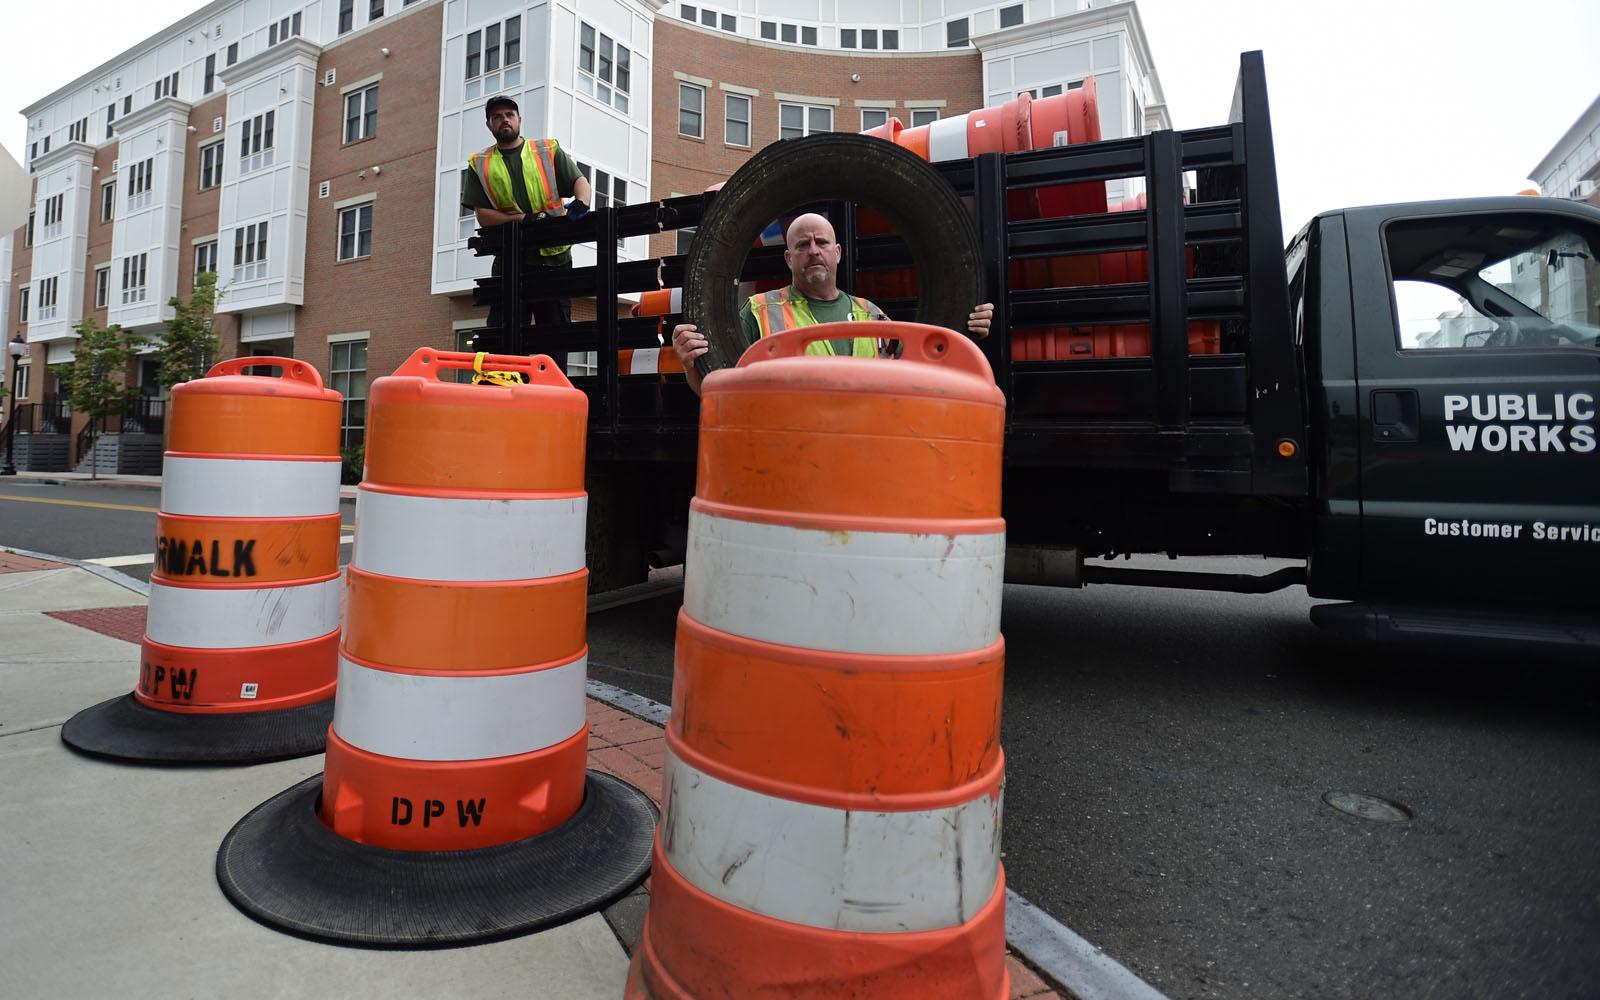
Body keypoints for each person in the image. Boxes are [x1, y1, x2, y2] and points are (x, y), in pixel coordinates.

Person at [669, 213, 993, 395]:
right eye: (802, 245)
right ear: (788, 258)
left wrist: (965, 331)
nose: (813, 250)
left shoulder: (873, 315)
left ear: (837, 253)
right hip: (790, 459)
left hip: (860, 457)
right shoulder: (758, 311)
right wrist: (689, 364)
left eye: (821, 242)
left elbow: (922, 377)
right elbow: (717, 390)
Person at [460, 95, 593, 370]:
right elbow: (483, 216)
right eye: (497, 117)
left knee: (555, 342)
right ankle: (505, 398)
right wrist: (529, 219)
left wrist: (582, 202)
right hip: (511, 262)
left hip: (554, 261)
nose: (504, 120)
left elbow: (579, 181)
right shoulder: (480, 163)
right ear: (489, 125)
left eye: (509, 114)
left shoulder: (545, 150)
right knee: (505, 341)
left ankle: (553, 401)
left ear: (519, 120)